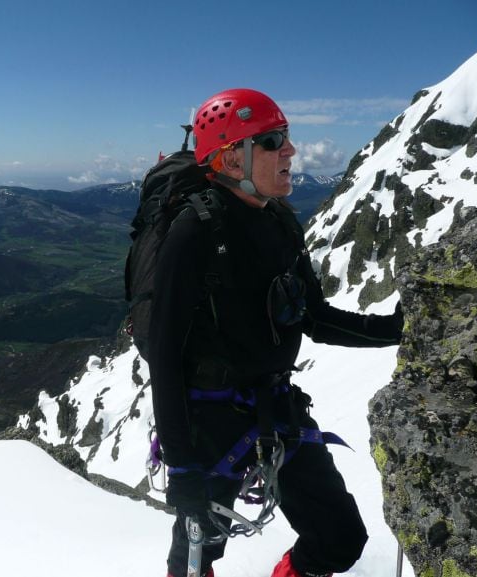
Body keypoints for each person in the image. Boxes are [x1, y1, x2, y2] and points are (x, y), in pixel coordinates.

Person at [148, 88, 403, 577]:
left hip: (275, 406)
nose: (290, 150)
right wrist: (181, 467)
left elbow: (312, 317)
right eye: (271, 140)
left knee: (340, 538)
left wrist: (396, 330)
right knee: (195, 559)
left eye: (285, 137)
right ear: (228, 158)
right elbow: (165, 354)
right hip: (207, 417)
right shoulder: (194, 231)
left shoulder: (281, 221)